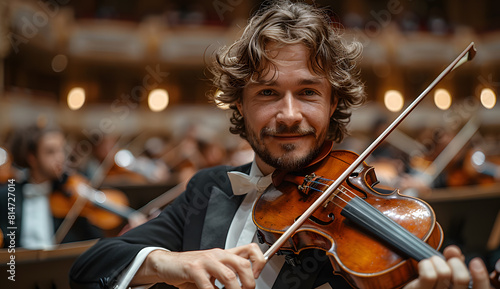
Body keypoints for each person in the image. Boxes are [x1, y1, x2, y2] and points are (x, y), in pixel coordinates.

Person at [69, 1, 494, 289]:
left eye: (308, 92)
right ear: (240, 104)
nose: (289, 114)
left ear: (333, 103)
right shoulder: (209, 189)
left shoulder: (366, 244)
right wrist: (169, 262)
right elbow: (91, 267)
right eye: (267, 93)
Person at [0, 125, 104, 249]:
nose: (60, 158)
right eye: (51, 152)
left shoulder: (69, 194)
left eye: (61, 150)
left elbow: (95, 241)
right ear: (31, 157)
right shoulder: (6, 196)